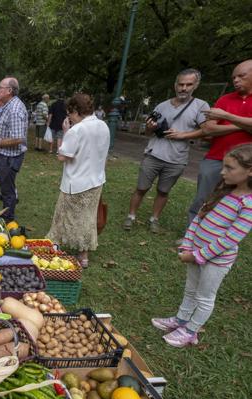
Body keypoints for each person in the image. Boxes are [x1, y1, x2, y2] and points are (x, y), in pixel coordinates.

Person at [151, 144, 252, 347]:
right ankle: (181, 319)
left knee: (205, 297)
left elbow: (230, 240)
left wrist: (198, 256)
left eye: (230, 168)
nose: (223, 172)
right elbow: (199, 218)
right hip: (195, 253)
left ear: (250, 171)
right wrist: (188, 247)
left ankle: (191, 331)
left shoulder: (248, 204)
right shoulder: (223, 191)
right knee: (190, 290)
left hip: (216, 261)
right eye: (224, 166)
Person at [123, 69, 209, 233]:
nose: (183, 88)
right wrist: (149, 127)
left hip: (176, 158)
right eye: (181, 84)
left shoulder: (201, 105)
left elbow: (207, 130)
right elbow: (148, 132)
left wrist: (183, 134)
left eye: (188, 84)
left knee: (163, 191)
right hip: (154, 153)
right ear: (175, 85)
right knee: (141, 188)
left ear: (195, 85)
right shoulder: (162, 105)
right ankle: (131, 216)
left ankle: (154, 219)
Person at [46, 93, 110, 268]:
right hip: (96, 181)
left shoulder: (77, 130)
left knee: (63, 217)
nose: (69, 118)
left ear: (76, 110)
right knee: (87, 219)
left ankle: (55, 247)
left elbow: (62, 156)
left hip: (76, 182)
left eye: (70, 114)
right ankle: (84, 256)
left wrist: (66, 133)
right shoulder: (103, 126)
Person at [186, 59, 252, 225]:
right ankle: (191, 234)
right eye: (234, 77)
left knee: (234, 203)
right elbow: (209, 129)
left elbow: (219, 120)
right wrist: (243, 126)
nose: (236, 80)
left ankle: (216, 238)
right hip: (215, 158)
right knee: (203, 197)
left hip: (245, 164)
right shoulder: (225, 99)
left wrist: (226, 117)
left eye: (241, 76)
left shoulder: (224, 111)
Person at [0, 77, 28, 221]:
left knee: (8, 190)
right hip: (5, 155)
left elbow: (18, 139)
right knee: (5, 187)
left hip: (11, 157)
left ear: (9, 91)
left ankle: (8, 219)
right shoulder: (8, 105)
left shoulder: (15, 109)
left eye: (0, 87)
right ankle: (6, 214)